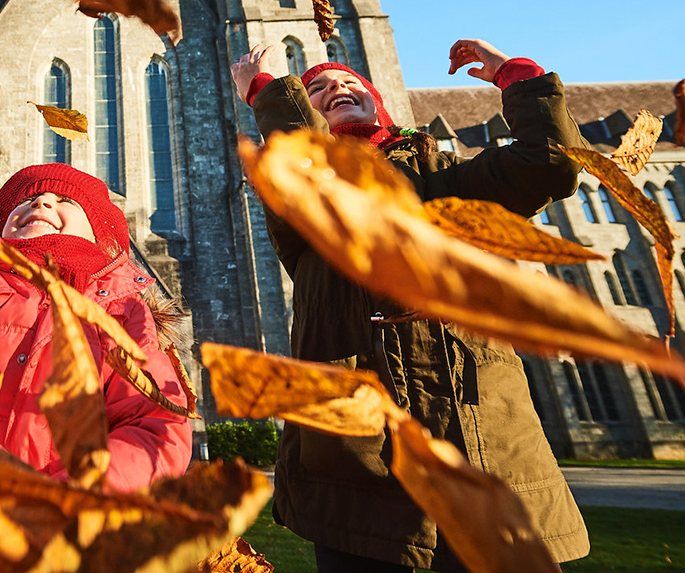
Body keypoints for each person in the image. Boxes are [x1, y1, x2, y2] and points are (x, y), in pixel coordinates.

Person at [231, 38, 591, 573]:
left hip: (484, 441)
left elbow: (551, 165)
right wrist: (270, 96)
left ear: (382, 105)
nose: (337, 87)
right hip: (357, 458)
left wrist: (515, 76)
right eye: (319, 90)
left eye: (351, 83)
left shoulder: (448, 178)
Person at [0, 163, 194, 493]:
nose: (41, 201)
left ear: (97, 236)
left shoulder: (122, 315)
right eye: (28, 197)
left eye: (65, 200)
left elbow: (155, 424)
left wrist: (69, 500)